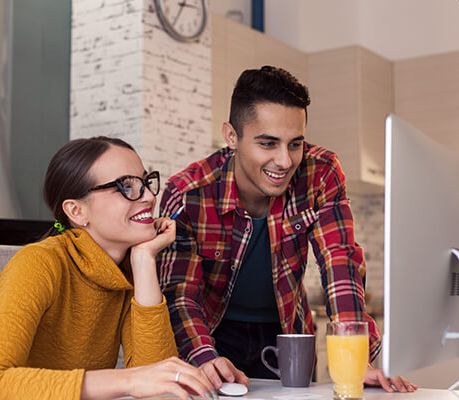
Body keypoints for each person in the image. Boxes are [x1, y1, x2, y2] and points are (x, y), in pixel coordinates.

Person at [158, 66, 416, 392]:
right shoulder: (188, 192)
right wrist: (202, 355)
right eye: (268, 144)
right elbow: (179, 295)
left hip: (289, 336)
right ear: (231, 136)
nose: (284, 161)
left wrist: (356, 357)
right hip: (212, 336)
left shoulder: (321, 172)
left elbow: (340, 262)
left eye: (295, 144)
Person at [0, 137, 217, 400]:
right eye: (126, 186)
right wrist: (127, 380)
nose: (150, 197)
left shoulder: (128, 269)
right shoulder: (38, 262)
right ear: (77, 211)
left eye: (146, 182)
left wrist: (144, 260)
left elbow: (160, 382)